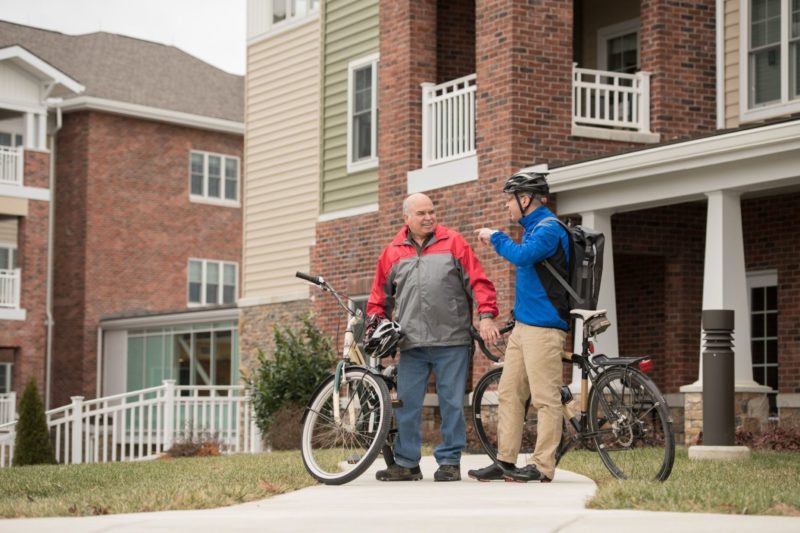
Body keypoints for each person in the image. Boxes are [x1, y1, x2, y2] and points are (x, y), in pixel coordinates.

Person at [368, 192, 499, 482]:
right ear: (407, 218)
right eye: (421, 213)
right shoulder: (392, 253)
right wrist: (375, 326)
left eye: (432, 211)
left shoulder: (454, 243)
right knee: (408, 402)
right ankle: (406, 463)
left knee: (451, 402)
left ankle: (450, 461)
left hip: (451, 339)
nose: (429, 217)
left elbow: (478, 281)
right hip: (411, 342)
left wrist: (486, 313)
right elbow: (379, 298)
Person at [469, 170, 570, 483]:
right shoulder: (532, 228)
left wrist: (494, 235)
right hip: (526, 328)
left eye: (509, 201)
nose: (507, 207)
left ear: (525, 199)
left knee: (545, 398)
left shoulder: (549, 228)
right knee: (510, 393)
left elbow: (523, 257)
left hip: (545, 330)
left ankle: (542, 466)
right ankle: (506, 462)